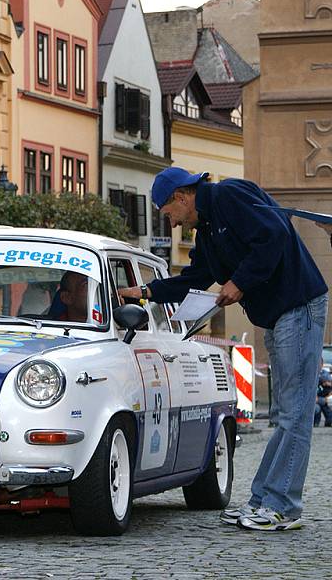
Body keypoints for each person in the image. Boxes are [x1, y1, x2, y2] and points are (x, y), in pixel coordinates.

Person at [118, 167, 328, 532]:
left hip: (299, 306)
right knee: (282, 413)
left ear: (181, 197)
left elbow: (275, 236)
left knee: (293, 413)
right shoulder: (209, 231)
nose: (171, 223)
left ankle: (283, 507)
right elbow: (197, 278)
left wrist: (239, 283)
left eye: (168, 213)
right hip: (279, 315)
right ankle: (263, 500)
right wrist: (147, 293)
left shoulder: (230, 196)